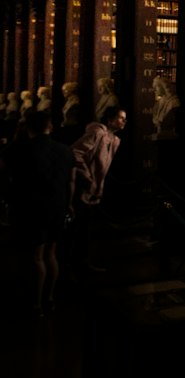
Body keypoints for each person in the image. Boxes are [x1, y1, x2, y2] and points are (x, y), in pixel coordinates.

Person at [4, 107, 76, 315]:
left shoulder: (18, 148)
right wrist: (68, 204)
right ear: (50, 127)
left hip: (30, 207)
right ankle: (50, 297)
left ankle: (35, 302)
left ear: (26, 127)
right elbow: (71, 181)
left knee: (35, 257)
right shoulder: (65, 150)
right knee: (51, 254)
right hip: (57, 206)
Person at [70, 104, 127, 271]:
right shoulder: (97, 133)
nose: (124, 121)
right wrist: (87, 176)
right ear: (110, 119)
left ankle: (81, 262)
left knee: (85, 229)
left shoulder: (113, 140)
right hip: (83, 188)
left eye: (125, 118)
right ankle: (74, 264)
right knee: (79, 227)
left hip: (93, 190)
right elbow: (75, 152)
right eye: (121, 117)